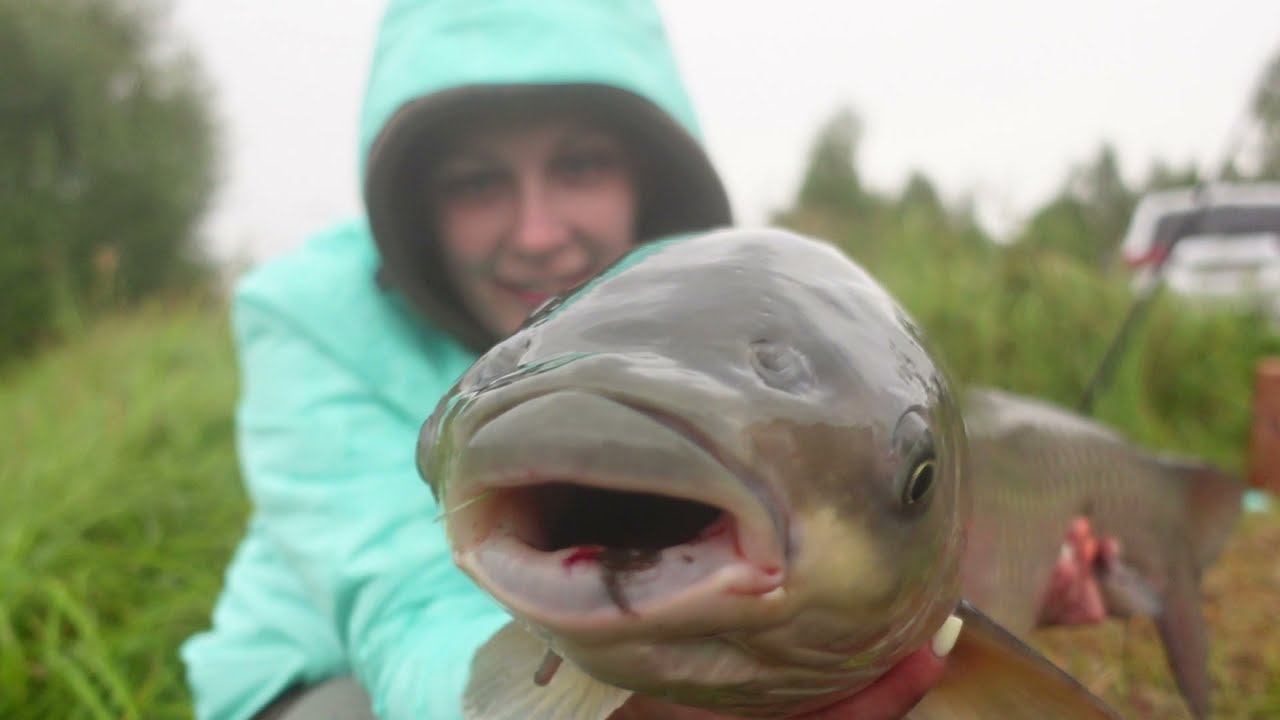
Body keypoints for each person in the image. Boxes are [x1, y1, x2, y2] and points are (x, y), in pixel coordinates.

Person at [181, 1, 1114, 718]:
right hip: (333, 665)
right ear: (414, 200)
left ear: (646, 173)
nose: (539, 232)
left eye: (581, 165)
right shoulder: (299, 312)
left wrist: (999, 576)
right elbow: (403, 597)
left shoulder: (733, 299)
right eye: (477, 183)